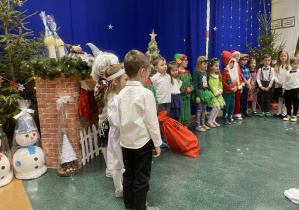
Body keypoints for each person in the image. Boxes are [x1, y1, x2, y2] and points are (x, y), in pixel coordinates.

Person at [119, 49, 162, 210]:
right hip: (143, 144)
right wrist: (157, 143)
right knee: (142, 178)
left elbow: (120, 118)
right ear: (142, 71)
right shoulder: (146, 94)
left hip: (126, 142)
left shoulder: (121, 94)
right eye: (149, 72)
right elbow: (151, 122)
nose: (149, 75)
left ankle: (129, 207)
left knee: (128, 175)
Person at [92, 52, 119, 178]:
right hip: (106, 119)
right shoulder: (103, 85)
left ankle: (113, 167)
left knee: (110, 144)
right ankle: (111, 168)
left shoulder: (104, 83)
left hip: (107, 118)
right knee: (108, 144)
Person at [105, 63, 128, 198]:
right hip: (120, 135)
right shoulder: (117, 99)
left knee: (115, 162)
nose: (128, 82)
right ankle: (121, 189)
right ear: (115, 81)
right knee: (119, 162)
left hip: (115, 134)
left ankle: (119, 189)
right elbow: (119, 122)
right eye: (125, 80)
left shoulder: (113, 97)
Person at [193, 56, 214, 131]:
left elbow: (207, 83)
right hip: (200, 92)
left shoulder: (205, 73)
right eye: (204, 64)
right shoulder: (196, 73)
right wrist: (197, 96)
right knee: (199, 109)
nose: (206, 65)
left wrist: (208, 91)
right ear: (199, 64)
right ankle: (198, 125)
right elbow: (195, 84)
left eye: (206, 64)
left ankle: (203, 123)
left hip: (205, 93)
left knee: (203, 109)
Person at [174, 53, 194, 126]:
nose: (187, 62)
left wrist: (191, 88)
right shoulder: (177, 73)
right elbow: (176, 84)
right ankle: (180, 128)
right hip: (180, 97)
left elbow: (191, 82)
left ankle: (185, 127)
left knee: (187, 112)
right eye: (185, 60)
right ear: (179, 62)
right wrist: (185, 89)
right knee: (180, 113)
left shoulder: (188, 73)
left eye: (187, 60)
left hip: (187, 97)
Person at [207, 57, 225, 127]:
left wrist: (220, 90)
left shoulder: (218, 75)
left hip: (218, 93)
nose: (217, 67)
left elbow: (220, 84)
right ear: (211, 67)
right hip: (213, 94)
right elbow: (211, 85)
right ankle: (209, 121)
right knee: (215, 107)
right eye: (216, 66)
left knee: (218, 108)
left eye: (218, 66)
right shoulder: (210, 76)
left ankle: (213, 120)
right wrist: (216, 92)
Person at [221, 51, 238, 125]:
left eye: (233, 63)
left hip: (232, 92)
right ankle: (225, 118)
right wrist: (230, 88)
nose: (232, 64)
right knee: (226, 106)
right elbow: (223, 82)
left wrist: (235, 87)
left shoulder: (232, 71)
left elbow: (234, 81)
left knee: (232, 105)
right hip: (227, 92)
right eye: (231, 62)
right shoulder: (225, 71)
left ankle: (230, 117)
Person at [273, 50, 289, 118]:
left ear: (287, 57)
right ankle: (279, 112)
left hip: (286, 86)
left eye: (285, 56)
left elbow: (288, 76)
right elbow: (274, 76)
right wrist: (277, 82)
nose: (283, 57)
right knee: (280, 99)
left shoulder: (289, 66)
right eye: (282, 56)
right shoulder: (277, 66)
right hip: (278, 85)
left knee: (286, 99)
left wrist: (284, 83)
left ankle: (285, 112)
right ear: (279, 57)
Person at [282, 57, 299, 122]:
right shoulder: (287, 72)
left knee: (296, 103)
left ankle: (294, 114)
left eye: (298, 64)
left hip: (296, 89)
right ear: (290, 64)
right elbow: (285, 81)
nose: (296, 65)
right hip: (288, 90)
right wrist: (283, 88)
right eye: (295, 64)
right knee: (288, 103)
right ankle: (288, 114)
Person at [231, 50, 244, 120]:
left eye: (238, 56)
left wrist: (241, 84)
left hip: (238, 85)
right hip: (233, 86)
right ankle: (231, 113)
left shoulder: (238, 65)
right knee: (232, 100)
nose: (237, 58)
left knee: (238, 100)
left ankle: (237, 112)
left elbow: (239, 75)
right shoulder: (231, 65)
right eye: (236, 56)